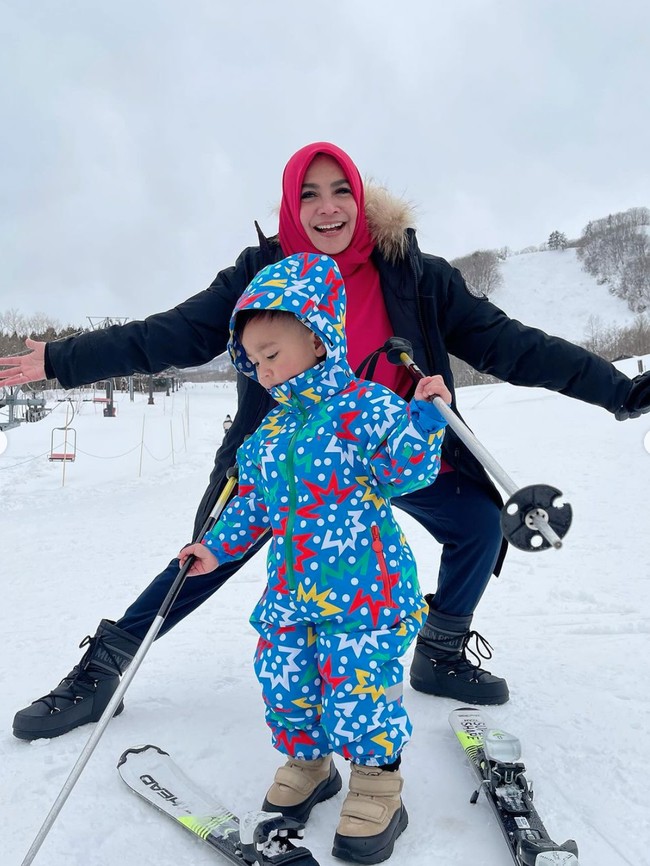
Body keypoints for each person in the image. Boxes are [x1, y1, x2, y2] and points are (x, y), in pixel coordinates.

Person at [3, 142, 650, 744]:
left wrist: (618, 391)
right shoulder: (262, 276)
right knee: (210, 553)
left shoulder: (414, 277)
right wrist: (61, 360)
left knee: (478, 522)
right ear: (291, 205)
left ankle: (442, 651)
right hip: (294, 448)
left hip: (393, 446)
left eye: (340, 190)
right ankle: (107, 666)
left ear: (360, 200)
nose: (326, 207)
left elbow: (512, 345)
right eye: (308, 194)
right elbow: (167, 335)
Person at [178, 251, 450, 862]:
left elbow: (401, 472)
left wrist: (425, 421)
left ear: (321, 334)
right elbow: (253, 508)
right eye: (252, 362)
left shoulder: (364, 407)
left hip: (365, 594)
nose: (264, 372)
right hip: (291, 594)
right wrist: (214, 547)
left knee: (360, 688)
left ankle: (379, 782)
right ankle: (309, 762)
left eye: (273, 355)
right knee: (285, 680)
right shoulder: (267, 437)